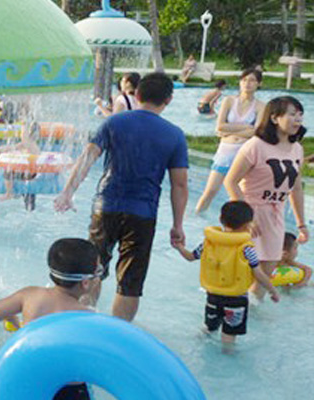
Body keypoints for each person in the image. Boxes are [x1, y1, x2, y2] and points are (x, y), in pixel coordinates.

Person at [55, 73, 189, 322]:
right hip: (143, 214)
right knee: (130, 282)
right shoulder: (175, 135)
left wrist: (68, 192)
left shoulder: (114, 122)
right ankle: (117, 333)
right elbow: (179, 185)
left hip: (105, 206)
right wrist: (177, 225)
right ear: (168, 100)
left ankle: (84, 324)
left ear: (137, 94)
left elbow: (88, 157)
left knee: (93, 269)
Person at [0, 238, 109, 400]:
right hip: (69, 391)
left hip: (33, 386)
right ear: (85, 283)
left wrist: (15, 322)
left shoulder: (31, 296)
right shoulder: (87, 316)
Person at [224, 96, 306, 301]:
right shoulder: (255, 146)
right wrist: (246, 219)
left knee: (265, 274)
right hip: (249, 215)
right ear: (275, 118)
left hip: (275, 216)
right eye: (292, 114)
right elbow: (231, 181)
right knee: (237, 273)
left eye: (300, 115)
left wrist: (301, 224)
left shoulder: (297, 149)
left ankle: (252, 311)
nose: (298, 119)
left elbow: (296, 188)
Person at [174, 201, 278, 345]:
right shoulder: (246, 248)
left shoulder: (208, 243)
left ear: (220, 220)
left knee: (209, 328)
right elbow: (258, 273)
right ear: (248, 225)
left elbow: (190, 257)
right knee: (229, 336)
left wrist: (179, 247)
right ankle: (228, 353)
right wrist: (272, 290)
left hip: (213, 296)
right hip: (236, 299)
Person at [194, 69, 264, 214]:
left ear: (258, 84)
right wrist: (246, 127)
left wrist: (229, 130)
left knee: (239, 196)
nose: (247, 83)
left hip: (244, 154)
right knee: (210, 191)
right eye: (244, 80)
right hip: (225, 151)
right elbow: (220, 126)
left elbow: (256, 132)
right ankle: (196, 217)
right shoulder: (229, 101)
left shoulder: (260, 106)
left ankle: (238, 225)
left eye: (252, 80)